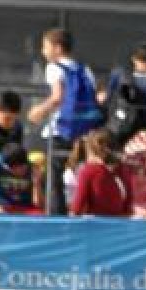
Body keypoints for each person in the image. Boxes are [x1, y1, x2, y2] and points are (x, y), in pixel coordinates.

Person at [28, 28, 103, 215]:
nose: (43, 51)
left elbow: (57, 97)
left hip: (62, 130)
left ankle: (57, 216)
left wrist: (38, 111)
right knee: (84, 173)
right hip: (85, 131)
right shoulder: (84, 69)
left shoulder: (54, 67)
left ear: (58, 48)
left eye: (45, 47)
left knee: (53, 176)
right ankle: (87, 210)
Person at [69, 128, 132, 217]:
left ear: (89, 149)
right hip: (120, 225)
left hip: (95, 227)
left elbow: (77, 207)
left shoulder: (88, 171)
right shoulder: (123, 170)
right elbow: (128, 207)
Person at [0, 143, 43, 215]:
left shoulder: (32, 168)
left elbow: (38, 205)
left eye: (23, 167)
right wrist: (7, 218)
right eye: (15, 169)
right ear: (7, 167)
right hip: (3, 208)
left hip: (25, 208)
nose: (21, 171)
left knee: (38, 214)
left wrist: (36, 184)